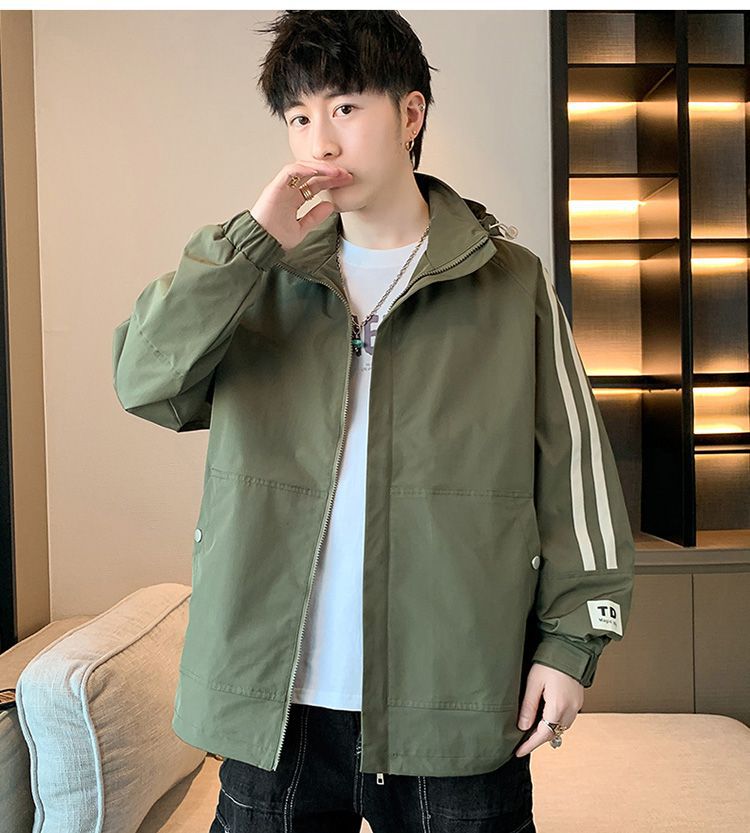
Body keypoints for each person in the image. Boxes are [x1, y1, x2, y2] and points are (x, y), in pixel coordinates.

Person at [112, 10, 636, 833]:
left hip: (453, 699)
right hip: (275, 707)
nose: (319, 142)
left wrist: (571, 646)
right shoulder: (258, 277)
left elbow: (578, 479)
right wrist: (251, 246)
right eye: (298, 117)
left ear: (410, 114)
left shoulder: (511, 284)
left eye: (346, 107)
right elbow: (144, 381)